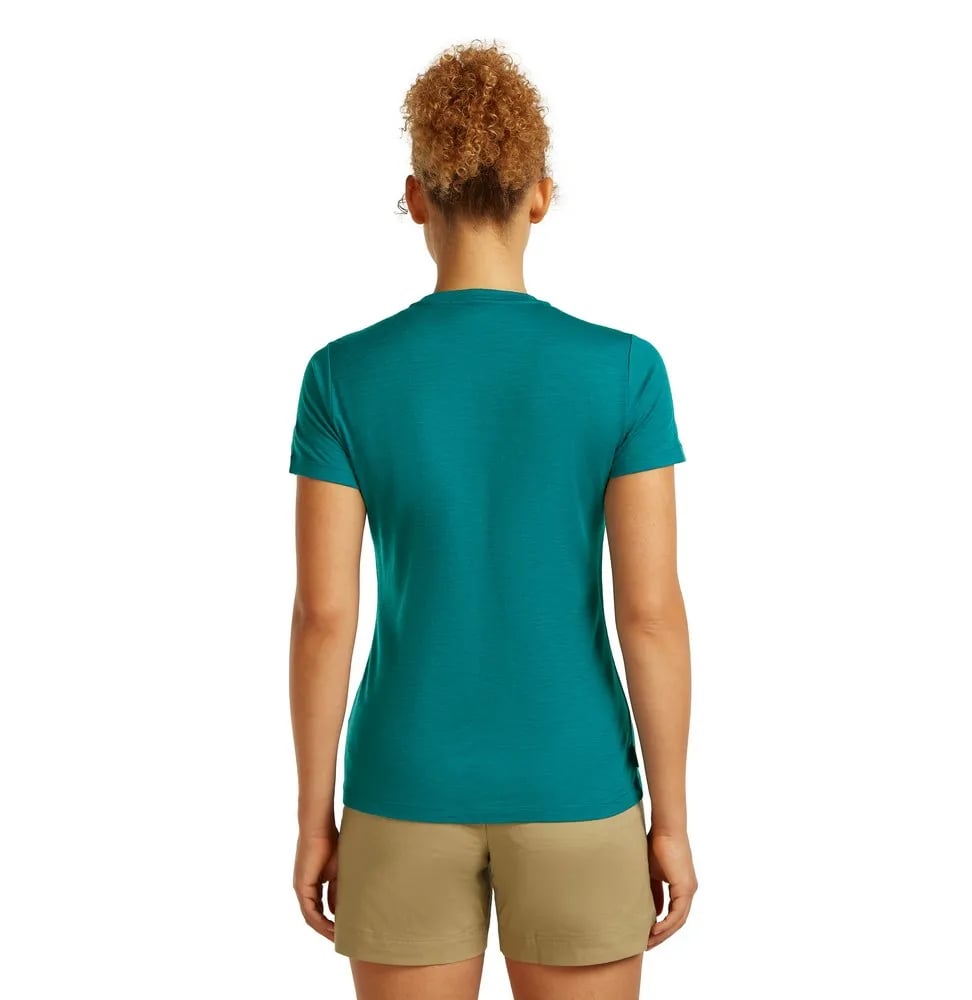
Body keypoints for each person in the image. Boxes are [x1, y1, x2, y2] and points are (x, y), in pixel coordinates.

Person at [288, 39, 697, 1000]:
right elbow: (649, 615)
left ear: (417, 198)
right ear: (540, 197)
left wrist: (314, 817)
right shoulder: (625, 371)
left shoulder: (342, 376)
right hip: (577, 788)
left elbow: (323, 619)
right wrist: (671, 819)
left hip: (402, 788)